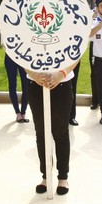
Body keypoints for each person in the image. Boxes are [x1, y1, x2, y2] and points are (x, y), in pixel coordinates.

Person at [28, 61, 79, 196]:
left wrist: (61, 74)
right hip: (36, 85)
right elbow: (20, 53)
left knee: (61, 133)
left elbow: (76, 53)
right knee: (41, 133)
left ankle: (63, 177)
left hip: (62, 84)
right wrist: (35, 75)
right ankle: (45, 176)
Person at [89, 0, 102, 110]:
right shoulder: (90, 13)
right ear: (94, 0)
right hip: (95, 45)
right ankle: (95, 100)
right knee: (95, 74)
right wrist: (95, 15)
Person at [4, 51, 30, 123]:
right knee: (12, 84)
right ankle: (17, 113)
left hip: (24, 56)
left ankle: (23, 112)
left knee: (26, 85)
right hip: (10, 56)